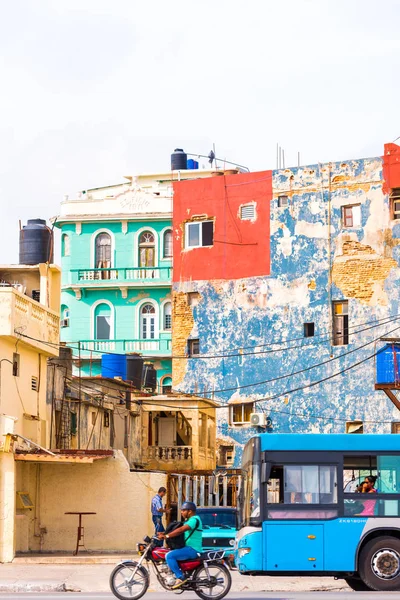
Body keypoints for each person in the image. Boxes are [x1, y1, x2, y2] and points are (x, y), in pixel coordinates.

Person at [158, 501, 203, 589]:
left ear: (189, 511)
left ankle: (180, 577)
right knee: (169, 552)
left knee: (169, 556)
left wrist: (166, 536)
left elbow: (181, 530)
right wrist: (163, 533)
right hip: (188, 548)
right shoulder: (190, 520)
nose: (181, 512)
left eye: (183, 510)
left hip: (193, 549)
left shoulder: (194, 519)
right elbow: (177, 530)